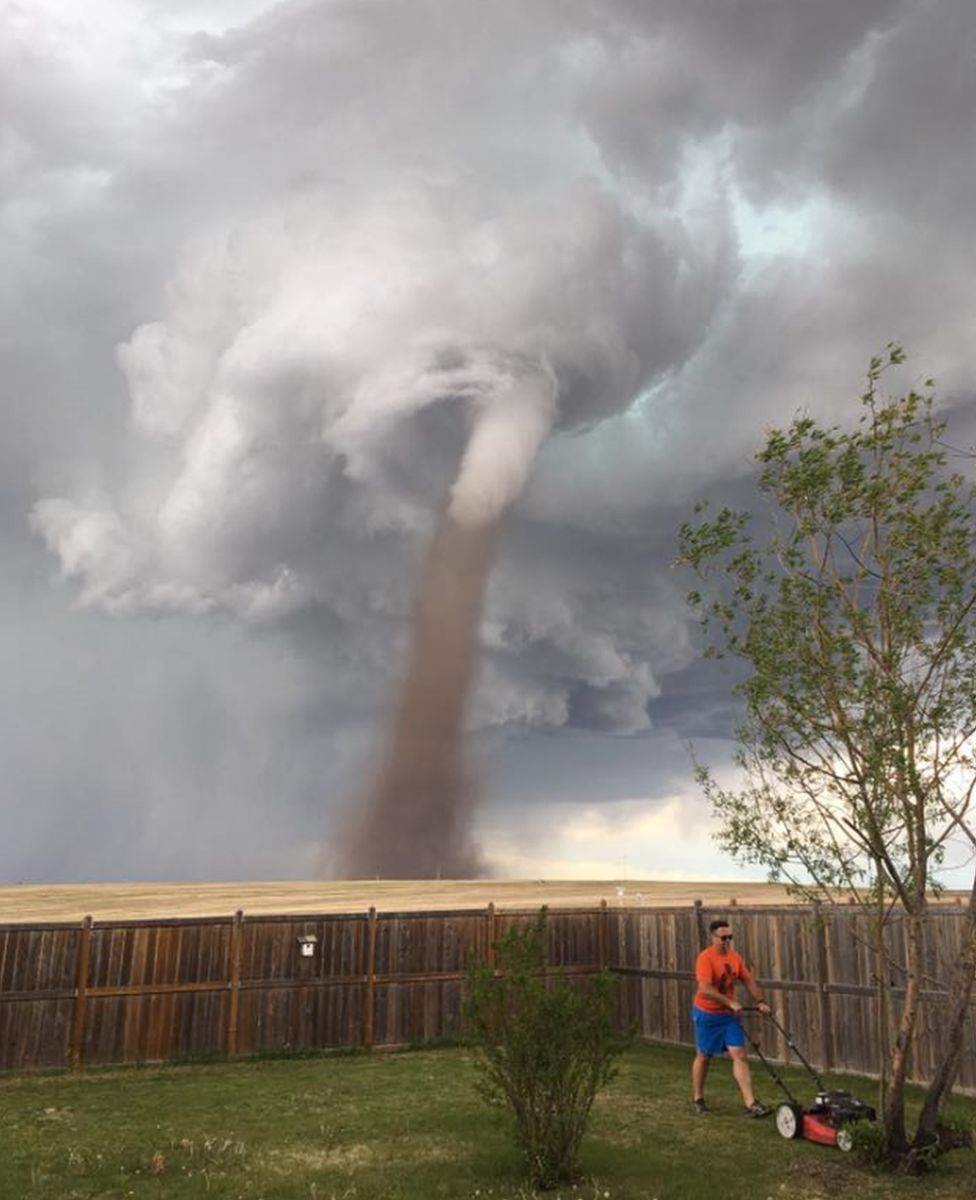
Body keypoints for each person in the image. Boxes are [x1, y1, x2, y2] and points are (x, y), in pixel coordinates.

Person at [691, 918, 771, 1116]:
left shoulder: (735, 957)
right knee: (704, 1056)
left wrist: (761, 1001)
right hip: (707, 1014)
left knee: (740, 1054)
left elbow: (748, 980)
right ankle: (698, 1098)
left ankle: (750, 1104)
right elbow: (705, 988)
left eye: (730, 937)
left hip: (728, 1017)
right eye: (723, 937)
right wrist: (729, 1002)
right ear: (713, 937)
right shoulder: (705, 958)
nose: (727, 941)